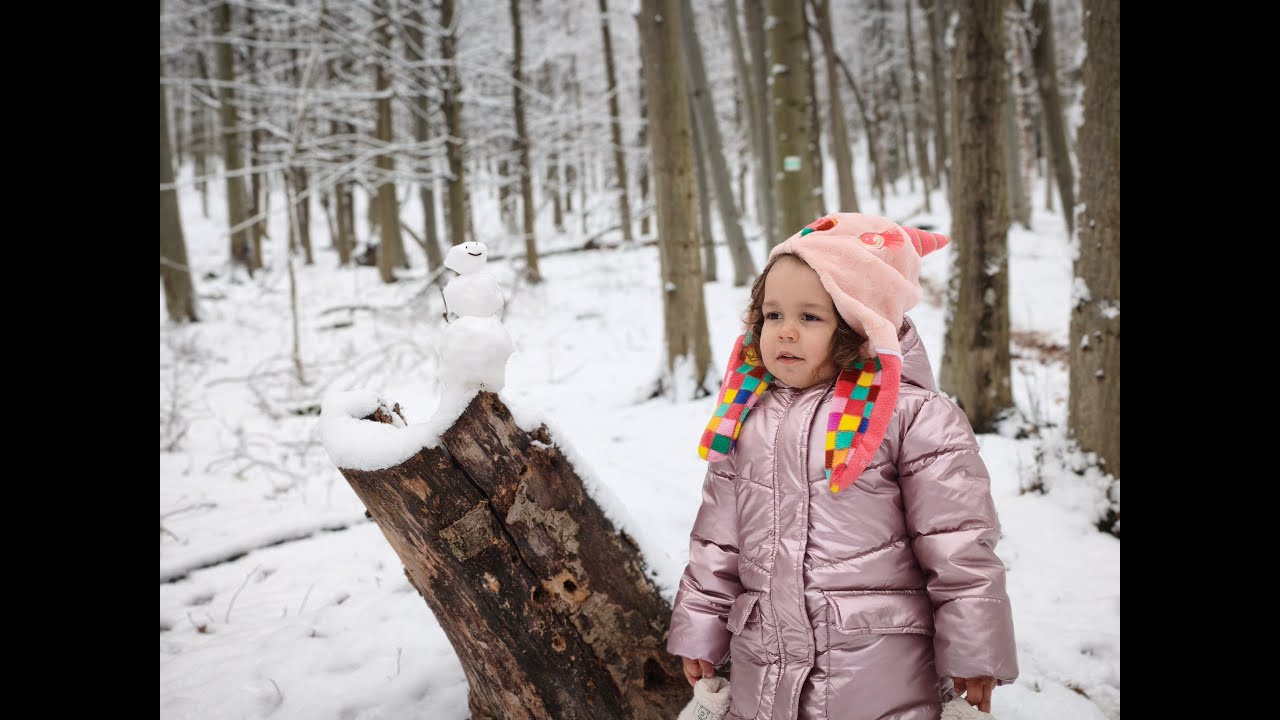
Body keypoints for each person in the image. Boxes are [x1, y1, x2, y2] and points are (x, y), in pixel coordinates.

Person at [668, 213, 1018, 719]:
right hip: (764, 664)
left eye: (809, 317)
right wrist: (700, 626)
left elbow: (958, 544)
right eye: (772, 316)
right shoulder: (746, 416)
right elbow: (717, 542)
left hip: (878, 670)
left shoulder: (913, 416)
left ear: (860, 323)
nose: (785, 332)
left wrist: (976, 651)